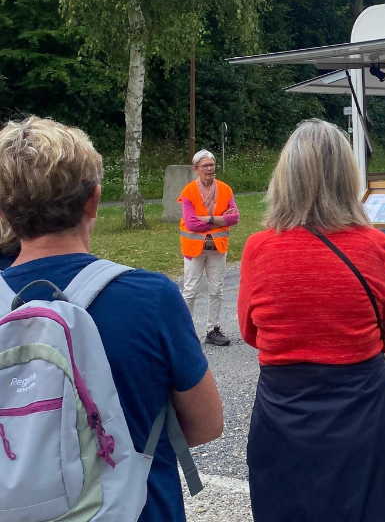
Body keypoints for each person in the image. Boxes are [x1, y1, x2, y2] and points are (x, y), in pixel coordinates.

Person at [0, 116, 223, 522]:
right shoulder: (151, 297)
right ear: (94, 200)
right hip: (137, 508)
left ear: (5, 209)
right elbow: (207, 424)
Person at [238, 119, 385, 522]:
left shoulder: (259, 249)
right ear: (347, 177)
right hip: (363, 405)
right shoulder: (374, 245)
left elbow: (251, 332)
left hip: (283, 409)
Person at [179, 149, 239, 346]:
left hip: (217, 248)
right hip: (194, 248)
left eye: (212, 165)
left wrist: (208, 219)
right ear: (196, 169)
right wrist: (222, 220)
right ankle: (183, 332)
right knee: (190, 290)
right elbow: (191, 224)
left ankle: (212, 329)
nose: (210, 169)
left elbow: (235, 217)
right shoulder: (189, 191)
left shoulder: (225, 189)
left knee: (217, 289)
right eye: (205, 166)